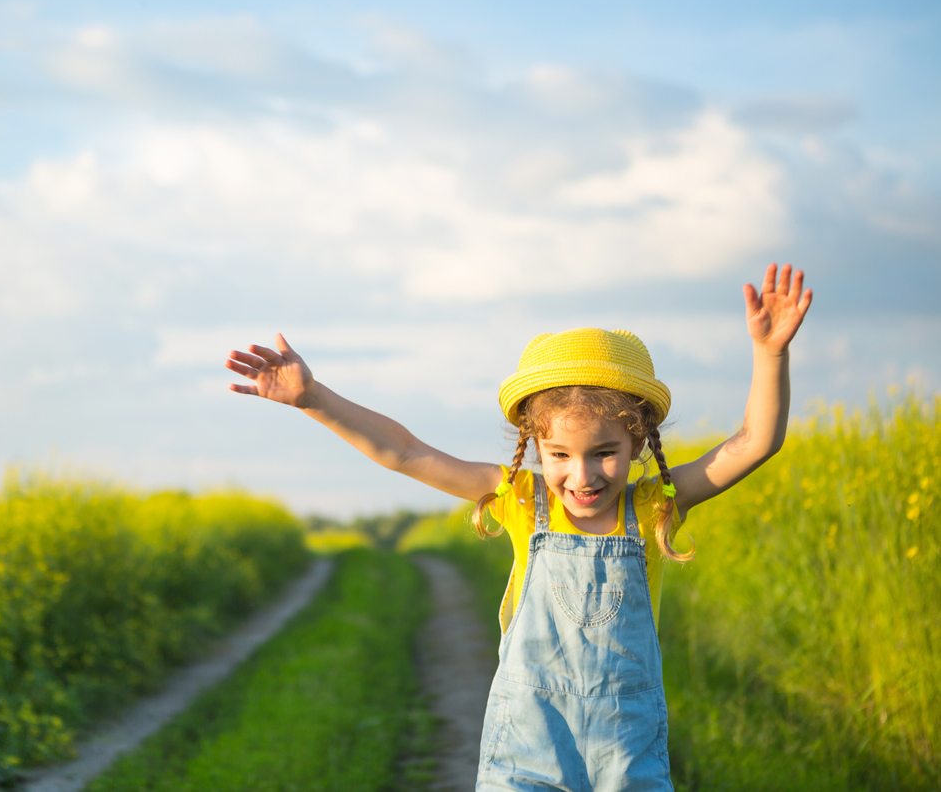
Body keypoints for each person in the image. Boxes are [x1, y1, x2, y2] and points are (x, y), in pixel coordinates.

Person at [224, 263, 812, 791]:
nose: (581, 476)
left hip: (625, 756)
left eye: (603, 453)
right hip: (528, 750)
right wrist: (314, 398)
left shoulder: (656, 503)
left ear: (638, 441)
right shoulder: (523, 502)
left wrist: (771, 354)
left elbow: (756, 441)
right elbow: (403, 451)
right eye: (558, 454)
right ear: (535, 447)